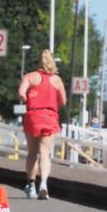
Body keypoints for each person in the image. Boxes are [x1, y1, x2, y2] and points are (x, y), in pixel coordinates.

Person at [17, 49, 66, 200]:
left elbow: (21, 93)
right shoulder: (57, 80)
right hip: (50, 116)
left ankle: (31, 186)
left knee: (32, 153)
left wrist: (27, 97)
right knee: (45, 153)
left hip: (33, 115)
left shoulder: (29, 77)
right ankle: (43, 184)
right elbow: (63, 101)